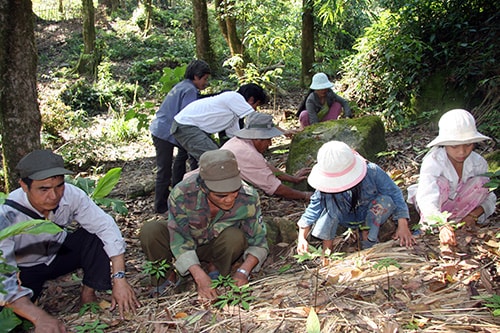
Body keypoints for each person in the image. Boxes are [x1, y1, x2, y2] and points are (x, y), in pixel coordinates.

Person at [0, 150, 139, 332]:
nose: (54, 195)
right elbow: (4, 281)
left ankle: (88, 293)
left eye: (59, 186)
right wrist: (40, 317)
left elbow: (105, 227)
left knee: (94, 235)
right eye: (44, 189)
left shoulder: (71, 195)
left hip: (59, 254)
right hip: (25, 269)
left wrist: (119, 278)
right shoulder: (6, 215)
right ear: (24, 186)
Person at [139, 149, 268, 301]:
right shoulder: (182, 193)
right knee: (150, 230)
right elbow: (180, 240)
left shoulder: (248, 196)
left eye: (234, 192)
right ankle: (168, 277)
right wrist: (199, 276)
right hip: (185, 242)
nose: (229, 200)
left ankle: (218, 270)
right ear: (204, 188)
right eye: (221, 195)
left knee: (235, 237)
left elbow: (259, 241)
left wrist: (243, 272)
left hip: (217, 245)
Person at [296, 141, 415, 255]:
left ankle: (368, 238)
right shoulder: (324, 187)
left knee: (385, 201)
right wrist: (301, 237)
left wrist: (402, 225)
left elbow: (395, 193)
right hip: (345, 215)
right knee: (329, 205)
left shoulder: (372, 171)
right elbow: (313, 209)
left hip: (369, 212)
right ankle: (327, 250)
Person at [407, 109, 496, 246]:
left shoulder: (478, 163)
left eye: (467, 145)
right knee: (440, 183)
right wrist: (441, 224)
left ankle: (458, 226)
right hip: (435, 212)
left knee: (482, 183)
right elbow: (427, 197)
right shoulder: (434, 161)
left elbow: (490, 196)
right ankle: (429, 229)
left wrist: (473, 216)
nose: (462, 152)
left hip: (462, 213)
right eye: (454, 146)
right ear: (445, 144)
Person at [150, 59, 211, 213]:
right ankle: (161, 206)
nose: (206, 83)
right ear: (196, 77)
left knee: (180, 158)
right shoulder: (190, 90)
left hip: (163, 129)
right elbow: (188, 115)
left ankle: (174, 196)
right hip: (165, 131)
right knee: (164, 168)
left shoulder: (183, 86)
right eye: (204, 79)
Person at [220, 112, 313, 200]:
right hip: (220, 193)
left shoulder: (238, 141)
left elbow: (266, 166)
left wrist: (293, 179)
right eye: (268, 139)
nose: (270, 143)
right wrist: (305, 195)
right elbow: (277, 189)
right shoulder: (249, 154)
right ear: (258, 138)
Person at [171, 83, 268, 161]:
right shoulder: (234, 97)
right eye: (257, 105)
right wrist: (281, 132)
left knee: (218, 157)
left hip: (190, 127)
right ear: (251, 100)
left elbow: (235, 137)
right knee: (216, 159)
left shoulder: (233, 115)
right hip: (186, 126)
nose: (255, 109)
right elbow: (255, 118)